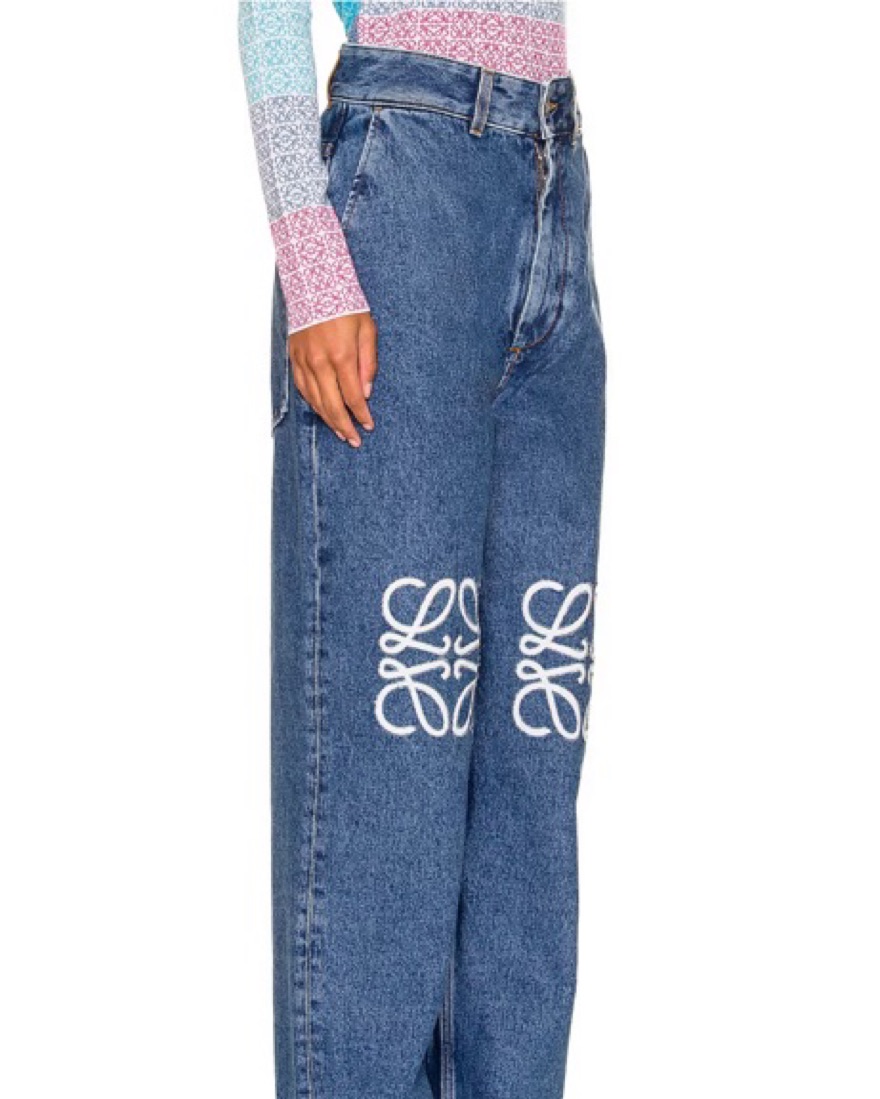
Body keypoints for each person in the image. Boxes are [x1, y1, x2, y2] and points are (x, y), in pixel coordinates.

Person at [239, 4, 606, 1097]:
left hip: (553, 172)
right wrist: (312, 258)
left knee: (531, 758)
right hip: (406, 178)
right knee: (386, 766)